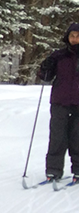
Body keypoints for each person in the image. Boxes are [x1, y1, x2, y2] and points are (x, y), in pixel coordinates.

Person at [37, 22, 79, 182]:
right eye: (72, 36)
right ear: (67, 37)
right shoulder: (58, 55)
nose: (75, 39)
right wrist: (45, 67)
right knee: (57, 137)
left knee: (77, 138)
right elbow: (45, 76)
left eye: (77, 36)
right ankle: (53, 171)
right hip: (59, 102)